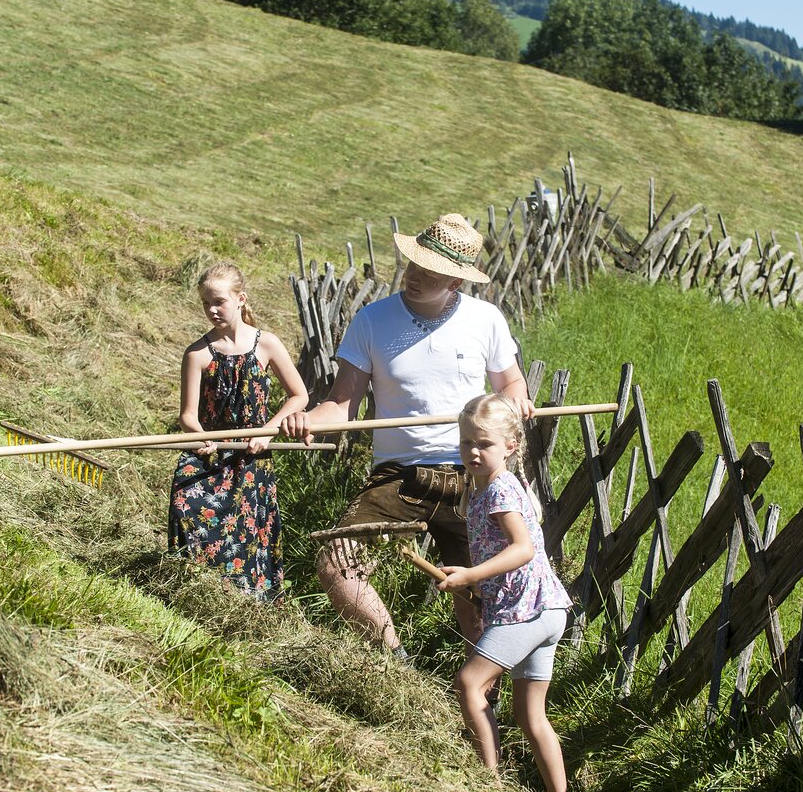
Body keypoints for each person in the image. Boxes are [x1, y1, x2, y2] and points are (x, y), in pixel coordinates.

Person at [280, 213, 531, 659]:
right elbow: (343, 404)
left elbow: (511, 385)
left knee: (481, 595)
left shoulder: (485, 319)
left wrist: (513, 404)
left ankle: (480, 698)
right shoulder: (372, 321)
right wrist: (310, 420)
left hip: (472, 474)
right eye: (412, 265)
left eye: (430, 274)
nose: (413, 278)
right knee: (338, 563)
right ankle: (392, 661)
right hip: (400, 475)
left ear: (455, 283)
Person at [436, 393, 572, 792]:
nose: (473, 452)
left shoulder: (498, 491)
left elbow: (523, 549)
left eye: (484, 444)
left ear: (510, 446)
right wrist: (476, 588)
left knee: (469, 682)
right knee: (531, 717)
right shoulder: (491, 487)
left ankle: (488, 787)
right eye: (466, 443)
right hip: (547, 608)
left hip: (525, 611)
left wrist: (473, 574)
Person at [169, 263, 308, 601]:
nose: (212, 310)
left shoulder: (267, 345)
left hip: (253, 457)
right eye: (206, 303)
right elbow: (187, 415)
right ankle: (198, 591)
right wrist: (202, 437)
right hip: (211, 454)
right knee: (184, 502)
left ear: (241, 299)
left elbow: (299, 396)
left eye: (219, 301)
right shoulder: (198, 353)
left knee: (249, 533)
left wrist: (269, 430)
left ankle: (247, 601)